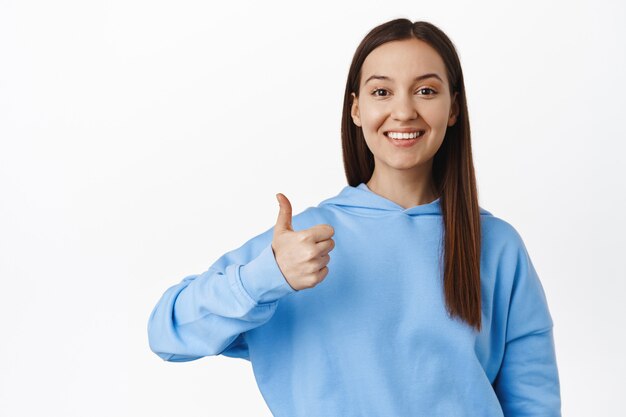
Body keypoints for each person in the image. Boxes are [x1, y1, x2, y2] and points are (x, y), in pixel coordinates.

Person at [147, 18, 561, 416]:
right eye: (382, 92)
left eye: (426, 91)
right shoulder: (302, 246)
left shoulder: (498, 246)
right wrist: (267, 276)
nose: (403, 112)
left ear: (453, 108)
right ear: (356, 109)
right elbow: (167, 333)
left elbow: (533, 405)